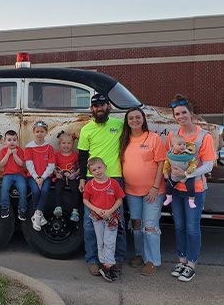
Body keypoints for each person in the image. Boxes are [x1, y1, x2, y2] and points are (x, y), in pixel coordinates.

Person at [166, 95, 215, 282]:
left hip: (195, 189)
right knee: (179, 226)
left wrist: (186, 175)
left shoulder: (204, 136)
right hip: (176, 190)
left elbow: (209, 165)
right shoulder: (172, 136)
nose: (181, 116)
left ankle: (191, 265)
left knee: (192, 228)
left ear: (191, 114)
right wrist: (169, 172)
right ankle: (181, 261)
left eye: (184, 112)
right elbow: (169, 157)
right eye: (177, 114)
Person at [77, 93, 126, 276]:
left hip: (114, 178)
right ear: (92, 109)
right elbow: (82, 156)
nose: (99, 109)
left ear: (108, 106)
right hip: (92, 179)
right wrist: (82, 178)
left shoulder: (119, 125)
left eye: (103, 105)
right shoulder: (86, 130)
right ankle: (92, 260)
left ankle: (117, 259)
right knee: (91, 223)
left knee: (116, 222)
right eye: (96, 106)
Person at [119, 107, 166, 276]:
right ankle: (140, 255)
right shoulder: (124, 139)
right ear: (127, 121)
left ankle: (153, 261)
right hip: (131, 191)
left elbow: (161, 163)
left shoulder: (153, 138)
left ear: (143, 119)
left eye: (137, 117)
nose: (134, 120)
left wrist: (155, 187)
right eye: (131, 118)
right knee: (136, 224)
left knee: (150, 226)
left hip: (152, 191)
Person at [83, 157, 125, 282]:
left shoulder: (114, 183)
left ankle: (109, 265)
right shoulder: (90, 185)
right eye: (94, 169)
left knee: (110, 241)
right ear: (90, 173)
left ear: (105, 167)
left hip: (112, 217)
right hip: (97, 217)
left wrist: (110, 211)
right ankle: (103, 264)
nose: (98, 171)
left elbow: (119, 199)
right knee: (100, 241)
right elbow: (85, 200)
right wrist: (96, 209)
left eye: (99, 167)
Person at [25, 120, 55, 231]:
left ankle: (36, 214)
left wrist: (42, 178)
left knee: (45, 190)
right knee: (36, 191)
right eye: (37, 131)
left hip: (46, 177)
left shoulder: (49, 148)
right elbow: (29, 164)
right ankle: (40, 215)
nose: (39, 134)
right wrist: (36, 178)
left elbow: (51, 165)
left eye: (41, 131)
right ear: (33, 132)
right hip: (33, 176)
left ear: (46, 133)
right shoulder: (29, 147)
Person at [163, 134, 197, 208]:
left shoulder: (188, 155)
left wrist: (189, 171)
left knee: (190, 187)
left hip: (187, 175)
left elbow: (193, 163)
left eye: (184, 144)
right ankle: (169, 198)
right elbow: (166, 164)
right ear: (172, 146)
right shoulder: (170, 155)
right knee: (169, 185)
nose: (182, 146)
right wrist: (165, 172)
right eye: (179, 144)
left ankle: (191, 201)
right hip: (174, 175)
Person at [0, 130, 27, 220]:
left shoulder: (19, 150)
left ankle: (22, 209)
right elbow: (2, 163)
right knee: (4, 188)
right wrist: (8, 154)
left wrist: (14, 154)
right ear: (5, 141)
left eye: (14, 140)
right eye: (9, 140)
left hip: (19, 174)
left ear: (17, 141)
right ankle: (4, 207)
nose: (12, 142)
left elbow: (21, 164)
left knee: (23, 188)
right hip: (8, 175)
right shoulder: (3, 151)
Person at [53, 131, 80, 221]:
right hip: (61, 176)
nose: (66, 145)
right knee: (58, 187)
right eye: (63, 143)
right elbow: (53, 166)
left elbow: (80, 167)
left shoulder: (75, 155)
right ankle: (58, 207)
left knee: (75, 189)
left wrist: (75, 174)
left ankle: (75, 211)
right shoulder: (56, 155)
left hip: (72, 176)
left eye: (69, 143)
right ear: (59, 144)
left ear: (72, 144)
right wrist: (57, 174)